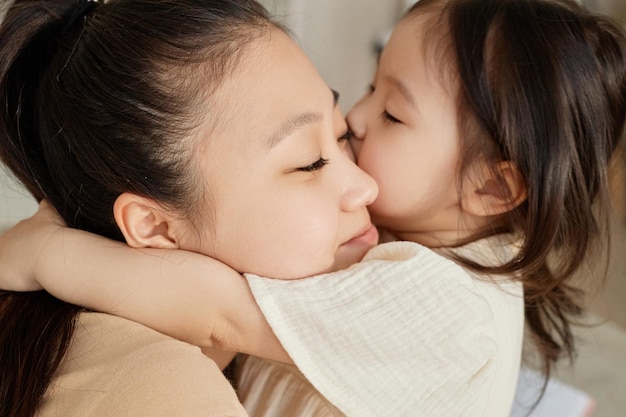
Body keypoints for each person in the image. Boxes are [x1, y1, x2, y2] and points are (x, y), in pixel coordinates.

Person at [1, 0, 625, 416]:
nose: (356, 118)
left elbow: (219, 315)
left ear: (491, 189)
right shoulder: (451, 244)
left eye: (392, 112)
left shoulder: (440, 305)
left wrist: (46, 253)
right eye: (372, 85)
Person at [0, 0, 380, 415]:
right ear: (155, 226)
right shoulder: (166, 395)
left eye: (342, 134)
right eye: (309, 162)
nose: (366, 187)